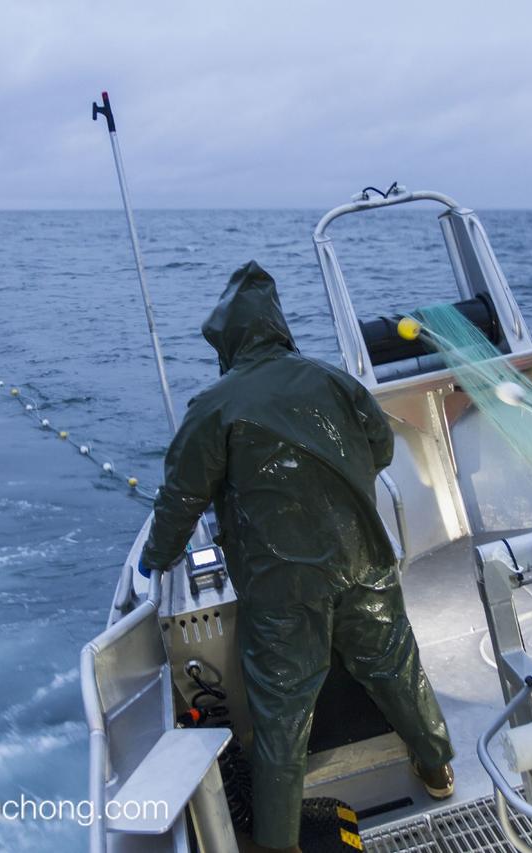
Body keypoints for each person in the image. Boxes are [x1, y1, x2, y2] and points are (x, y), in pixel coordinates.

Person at [137, 261, 455, 853]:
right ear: (278, 328)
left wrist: (156, 556)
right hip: (363, 562)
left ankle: (280, 843)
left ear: (228, 341)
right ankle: (437, 768)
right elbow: (381, 449)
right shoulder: (333, 379)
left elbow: (183, 497)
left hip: (281, 589)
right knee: (397, 669)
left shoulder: (214, 405)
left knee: (282, 716)